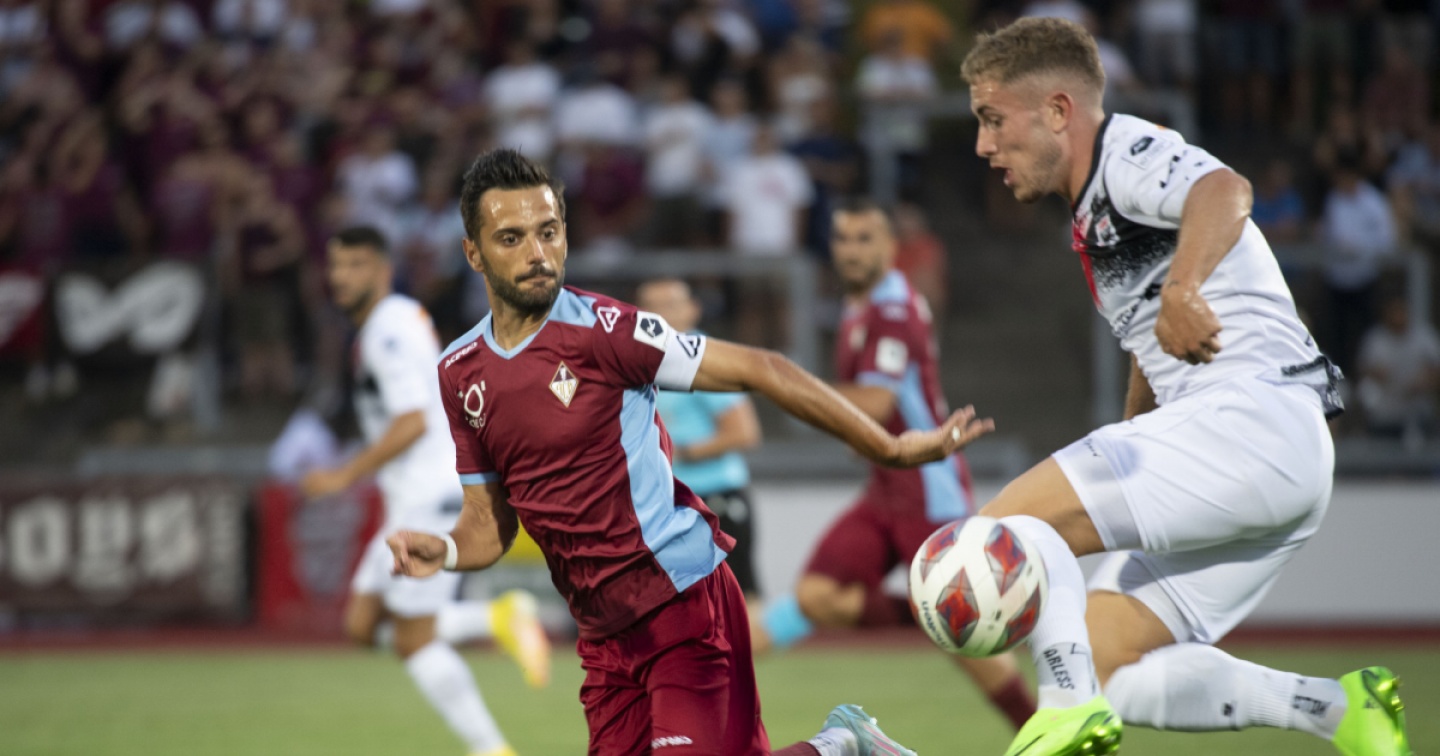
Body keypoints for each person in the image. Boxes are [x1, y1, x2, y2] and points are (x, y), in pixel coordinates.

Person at [386, 149, 991, 756]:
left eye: (548, 232)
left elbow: (764, 369)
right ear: (473, 253)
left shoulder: (609, 332)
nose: (537, 253)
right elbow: (488, 522)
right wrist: (446, 550)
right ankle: (843, 747)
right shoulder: (459, 373)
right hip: (601, 634)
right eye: (511, 238)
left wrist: (887, 446)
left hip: (681, 599)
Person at [960, 17, 1412, 756]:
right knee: (1106, 661)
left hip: (1249, 422)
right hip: (1276, 455)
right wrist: (1137, 414)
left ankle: (1065, 711)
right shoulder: (1097, 212)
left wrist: (1183, 288)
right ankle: (1340, 710)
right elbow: (1157, 342)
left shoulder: (1124, 152)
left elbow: (1225, 189)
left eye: (992, 118)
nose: (983, 145)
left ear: (1057, 111)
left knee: (1002, 532)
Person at [749, 198, 1036, 732]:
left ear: (890, 247)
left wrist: (785, 386)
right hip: (885, 488)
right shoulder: (859, 306)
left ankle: (1037, 726)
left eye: (865, 239)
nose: (852, 251)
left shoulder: (892, 309)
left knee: (965, 644)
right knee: (818, 595)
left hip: (927, 485)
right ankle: (942, 613)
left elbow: (877, 403)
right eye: (843, 239)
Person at [300, 225, 551, 756]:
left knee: (413, 639)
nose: (341, 277)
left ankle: (492, 749)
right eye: (336, 266)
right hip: (414, 496)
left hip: (427, 495)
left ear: (382, 270)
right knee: (363, 624)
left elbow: (412, 421)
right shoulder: (393, 322)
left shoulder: (387, 331)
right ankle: (496, 617)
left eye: (355, 265)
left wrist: (343, 475)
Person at [636, 277, 764, 602]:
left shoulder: (704, 358)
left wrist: (678, 452)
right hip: (669, 503)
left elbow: (744, 431)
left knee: (738, 598)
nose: (660, 315)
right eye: (651, 307)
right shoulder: (641, 361)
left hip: (715, 496)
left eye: (670, 305)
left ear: (693, 310)